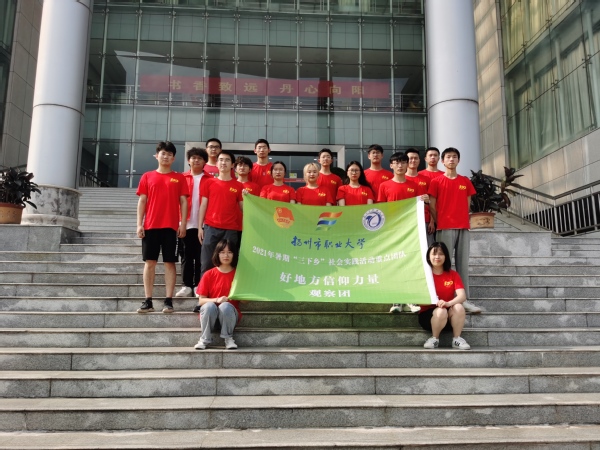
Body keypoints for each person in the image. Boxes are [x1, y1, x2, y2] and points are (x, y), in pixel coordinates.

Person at [136, 141, 189, 313]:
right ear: (156, 155)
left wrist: (183, 223)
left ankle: (168, 300)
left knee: (169, 262)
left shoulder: (179, 178)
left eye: (169, 154)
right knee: (150, 262)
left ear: (173, 158)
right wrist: (139, 224)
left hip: (171, 228)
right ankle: (148, 300)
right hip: (150, 226)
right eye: (163, 153)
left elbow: (183, 202)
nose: (165, 156)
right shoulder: (147, 176)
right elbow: (142, 201)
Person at [429, 147, 482, 314]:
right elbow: (432, 205)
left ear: (458, 160)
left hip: (463, 227)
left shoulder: (465, 181)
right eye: (448, 157)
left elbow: (467, 204)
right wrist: (440, 221)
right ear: (442, 161)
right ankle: (441, 297)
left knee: (462, 264)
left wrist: (462, 219)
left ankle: (463, 300)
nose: (451, 160)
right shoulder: (436, 181)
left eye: (454, 157)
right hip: (444, 227)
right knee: (442, 263)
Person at [377, 152, 421, 314]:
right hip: (392, 231)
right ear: (391, 165)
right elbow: (381, 210)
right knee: (395, 264)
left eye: (403, 162)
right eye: (397, 163)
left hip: (410, 231)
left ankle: (411, 299)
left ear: (407, 165)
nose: (400, 165)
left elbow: (418, 208)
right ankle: (396, 300)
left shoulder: (414, 186)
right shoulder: (384, 186)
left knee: (410, 264)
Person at [198, 150, 243, 278]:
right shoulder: (209, 182)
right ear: (216, 163)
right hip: (210, 227)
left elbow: (243, 208)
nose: (224, 163)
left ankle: (228, 287)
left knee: (229, 262)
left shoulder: (238, 186)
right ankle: (205, 288)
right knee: (207, 262)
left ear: (232, 165)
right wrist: (200, 227)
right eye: (221, 160)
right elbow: (203, 205)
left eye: (227, 160)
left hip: (230, 229)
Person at [419, 242, 471, 350]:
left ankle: (457, 339)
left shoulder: (453, 274)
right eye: (434, 254)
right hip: (428, 316)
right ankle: (434, 339)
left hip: (449, 317)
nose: (437, 257)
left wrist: (448, 303)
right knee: (441, 311)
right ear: (428, 256)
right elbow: (418, 300)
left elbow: (462, 296)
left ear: (446, 256)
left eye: (441, 254)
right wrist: (436, 302)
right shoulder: (424, 275)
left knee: (459, 307)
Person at [194, 239, 242, 350]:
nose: (226, 255)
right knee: (209, 306)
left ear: (234, 254)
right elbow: (201, 300)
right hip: (210, 317)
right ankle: (204, 339)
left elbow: (244, 301)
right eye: (222, 252)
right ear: (217, 254)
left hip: (229, 317)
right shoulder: (209, 274)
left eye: (230, 252)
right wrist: (217, 300)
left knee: (225, 306)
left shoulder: (238, 275)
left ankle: (228, 338)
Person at [175, 147, 210, 299]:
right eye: (193, 158)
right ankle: (186, 285)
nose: (196, 160)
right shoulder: (181, 178)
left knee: (201, 256)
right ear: (188, 160)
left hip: (204, 224)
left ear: (205, 162)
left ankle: (198, 285)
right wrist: (179, 222)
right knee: (186, 255)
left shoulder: (210, 180)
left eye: (199, 158)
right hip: (185, 223)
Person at [404, 148, 434, 245]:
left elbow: (432, 201)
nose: (413, 160)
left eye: (416, 158)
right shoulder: (400, 179)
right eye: (410, 158)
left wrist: (432, 221)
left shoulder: (427, 180)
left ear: (419, 160)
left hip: (425, 220)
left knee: (428, 248)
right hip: (406, 221)